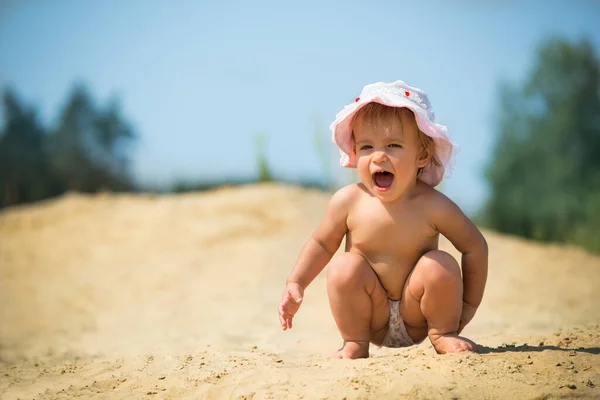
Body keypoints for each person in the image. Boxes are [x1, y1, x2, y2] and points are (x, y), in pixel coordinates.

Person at [278, 80, 489, 359]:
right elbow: (321, 243)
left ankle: (444, 334)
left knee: (440, 264)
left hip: (418, 315)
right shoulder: (349, 201)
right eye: (366, 147)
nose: (378, 156)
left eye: (393, 145)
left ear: (422, 155)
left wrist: (469, 305)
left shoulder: (434, 206)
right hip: (369, 317)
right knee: (344, 266)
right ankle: (354, 342)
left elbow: (475, 246)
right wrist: (296, 282)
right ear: (355, 152)